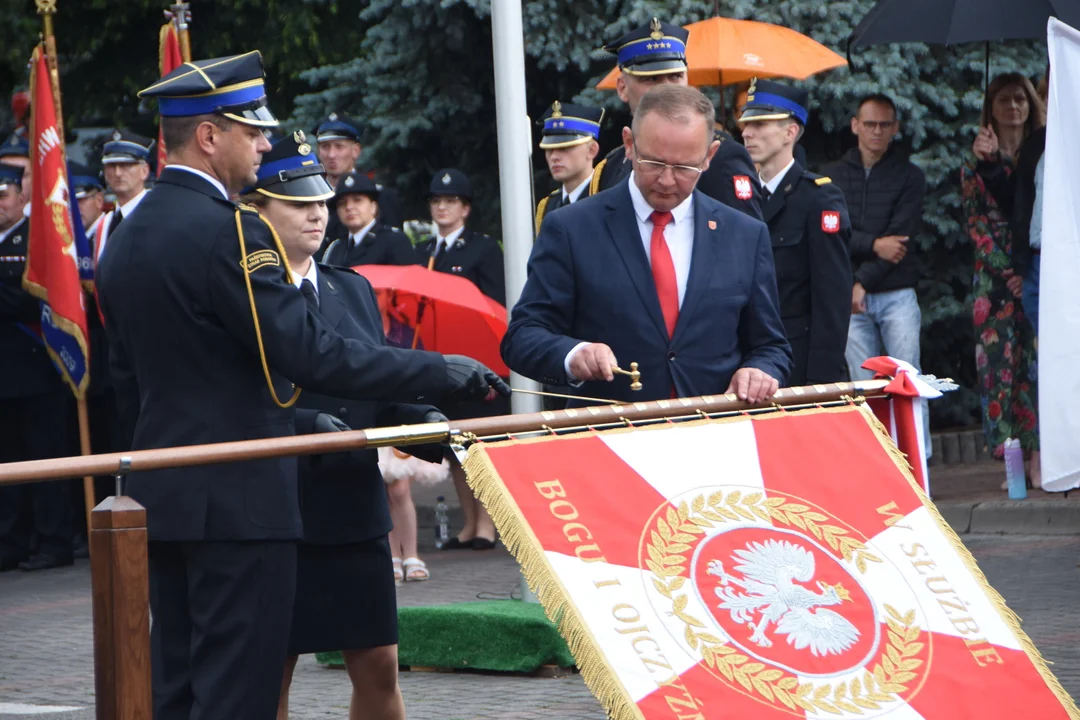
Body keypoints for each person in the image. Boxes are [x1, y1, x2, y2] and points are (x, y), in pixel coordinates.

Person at [97, 52, 506, 720]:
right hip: (239, 498)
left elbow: (128, 379)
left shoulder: (127, 235)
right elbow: (311, 354)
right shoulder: (230, 230)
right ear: (208, 136)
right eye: (250, 130)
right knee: (239, 694)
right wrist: (439, 367)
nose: (263, 142)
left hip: (162, 490)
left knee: (175, 687)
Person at [235, 133, 445, 720]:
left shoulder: (349, 286)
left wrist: (424, 419)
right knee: (270, 669)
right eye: (297, 202)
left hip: (351, 503)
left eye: (320, 201)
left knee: (378, 663)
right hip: (277, 502)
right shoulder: (242, 292)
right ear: (255, 209)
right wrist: (302, 422)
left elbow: (372, 389)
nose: (315, 214)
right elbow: (230, 396)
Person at [502, 85, 792, 407]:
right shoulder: (571, 228)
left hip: (713, 437)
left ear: (709, 157)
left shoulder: (745, 235)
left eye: (684, 168)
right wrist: (573, 355)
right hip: (608, 438)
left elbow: (771, 346)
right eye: (653, 163)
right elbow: (523, 336)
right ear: (629, 144)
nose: (667, 180)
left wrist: (759, 370)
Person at [821, 94, 929, 450]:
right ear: (855, 125)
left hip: (895, 294)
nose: (877, 131)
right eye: (870, 124)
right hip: (851, 297)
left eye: (885, 125)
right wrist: (872, 246)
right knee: (863, 386)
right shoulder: (832, 177)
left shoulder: (909, 176)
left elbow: (898, 244)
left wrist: (862, 281)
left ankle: (918, 462)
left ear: (895, 128)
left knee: (908, 380)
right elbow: (835, 233)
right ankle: (879, 462)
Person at [737, 80, 852, 385]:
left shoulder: (818, 199)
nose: (747, 132)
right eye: (746, 123)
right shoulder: (740, 198)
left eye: (760, 124)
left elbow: (832, 301)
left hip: (797, 364)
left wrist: (821, 382)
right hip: (746, 365)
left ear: (790, 132)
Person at [594, 18, 762, 220]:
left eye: (675, 76)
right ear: (622, 88)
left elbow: (743, 241)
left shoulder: (723, 157)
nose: (667, 89)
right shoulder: (611, 167)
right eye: (651, 79)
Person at [961, 72, 1042, 477]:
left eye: (1020, 100)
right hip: (993, 283)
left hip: (1033, 272)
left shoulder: (1041, 152)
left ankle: (1038, 456)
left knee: (1032, 366)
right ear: (990, 107)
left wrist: (1024, 267)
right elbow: (976, 225)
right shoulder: (974, 160)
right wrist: (1007, 269)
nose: (1013, 107)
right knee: (998, 370)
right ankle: (1009, 461)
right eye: (1004, 100)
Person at [0, 163, 75, 572]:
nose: (0, 204)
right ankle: (11, 541)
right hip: (5, 376)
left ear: (21, 195)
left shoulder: (34, 239)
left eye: (4, 194)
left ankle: (54, 541)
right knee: (7, 465)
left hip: (35, 371)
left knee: (45, 461)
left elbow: (37, 297)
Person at [415, 168, 505, 305]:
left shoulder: (484, 249)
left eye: (451, 201)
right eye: (435, 200)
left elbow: (495, 304)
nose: (441, 207)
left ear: (465, 209)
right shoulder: (422, 250)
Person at [314, 112, 403, 231]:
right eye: (325, 147)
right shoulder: (311, 198)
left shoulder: (382, 197)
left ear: (355, 151)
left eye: (339, 147)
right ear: (319, 152)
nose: (331, 154)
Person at [534, 101, 604, 234]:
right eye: (549, 149)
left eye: (564, 148)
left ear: (592, 150)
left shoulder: (608, 198)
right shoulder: (548, 206)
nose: (554, 156)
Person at [321, 170, 415, 267]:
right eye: (342, 203)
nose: (349, 207)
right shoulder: (336, 248)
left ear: (373, 207)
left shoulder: (394, 241)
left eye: (357, 200)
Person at [94, 130, 153, 263]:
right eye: (111, 165)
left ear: (144, 171)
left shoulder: (156, 217)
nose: (118, 173)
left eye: (126, 165)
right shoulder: (104, 224)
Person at [71, 163, 106, 240]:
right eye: (70, 202)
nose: (74, 207)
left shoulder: (112, 233)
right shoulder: (72, 240)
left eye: (80, 200)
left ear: (99, 200)